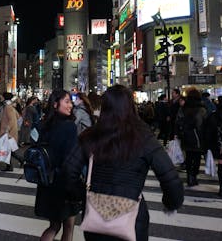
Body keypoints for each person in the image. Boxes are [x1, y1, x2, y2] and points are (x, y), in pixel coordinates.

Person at [63, 85, 184, 241]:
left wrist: (82, 195)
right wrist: (171, 203)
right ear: (130, 106)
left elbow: (68, 171)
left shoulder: (91, 135)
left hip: (96, 213)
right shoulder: (143, 136)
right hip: (132, 216)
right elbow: (169, 177)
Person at [34, 89, 79, 241]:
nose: (70, 105)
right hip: (64, 183)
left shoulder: (44, 124)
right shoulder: (69, 126)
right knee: (69, 227)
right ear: (55, 104)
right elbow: (70, 159)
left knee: (54, 226)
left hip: (46, 181)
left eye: (70, 102)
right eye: (66, 102)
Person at [176, 88, 207, 187]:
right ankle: (194, 176)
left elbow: (178, 121)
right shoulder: (202, 109)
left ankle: (189, 176)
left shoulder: (183, 108)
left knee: (188, 157)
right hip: (198, 136)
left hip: (186, 136)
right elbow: (204, 123)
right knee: (197, 157)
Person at [0, 92, 22, 171]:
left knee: (8, 150)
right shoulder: (9, 106)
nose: (0, 98)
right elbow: (18, 117)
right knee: (9, 150)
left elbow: (12, 119)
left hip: (8, 132)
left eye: (1, 96)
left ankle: (18, 162)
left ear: (4, 97)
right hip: (9, 131)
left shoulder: (8, 107)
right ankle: (17, 162)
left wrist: (7, 130)